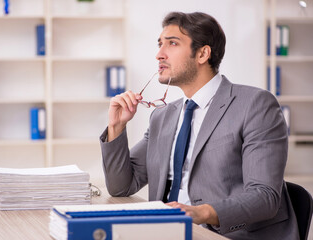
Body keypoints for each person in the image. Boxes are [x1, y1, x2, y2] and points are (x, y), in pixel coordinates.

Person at [99, 11, 299, 239]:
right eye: (160, 44)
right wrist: (116, 127)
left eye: (172, 43)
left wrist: (201, 213)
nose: (159, 54)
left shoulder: (255, 105)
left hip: (227, 234)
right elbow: (121, 187)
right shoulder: (162, 116)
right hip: (168, 231)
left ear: (203, 53)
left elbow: (265, 197)